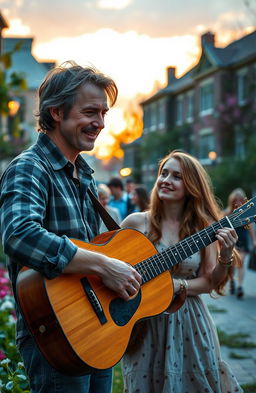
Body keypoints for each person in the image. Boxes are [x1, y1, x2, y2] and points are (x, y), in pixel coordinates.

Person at [0, 61, 141, 393]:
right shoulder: (30, 168)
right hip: (55, 336)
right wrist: (105, 265)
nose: (101, 123)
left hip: (97, 330)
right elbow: (19, 235)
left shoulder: (85, 174)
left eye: (104, 114)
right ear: (57, 112)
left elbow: (96, 250)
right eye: (91, 112)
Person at [120, 150, 243, 393]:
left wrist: (225, 255)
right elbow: (110, 268)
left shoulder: (203, 229)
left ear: (191, 186)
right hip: (142, 323)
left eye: (177, 176)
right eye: (164, 173)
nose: (166, 180)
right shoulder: (136, 223)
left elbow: (209, 282)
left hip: (188, 321)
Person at [223, 188, 256, 299]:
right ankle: (232, 280)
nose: (237, 202)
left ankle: (240, 286)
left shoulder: (247, 214)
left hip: (243, 242)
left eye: (240, 200)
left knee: (241, 262)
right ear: (231, 201)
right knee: (232, 264)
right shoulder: (226, 214)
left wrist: (254, 240)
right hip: (231, 242)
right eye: (235, 200)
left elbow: (250, 228)